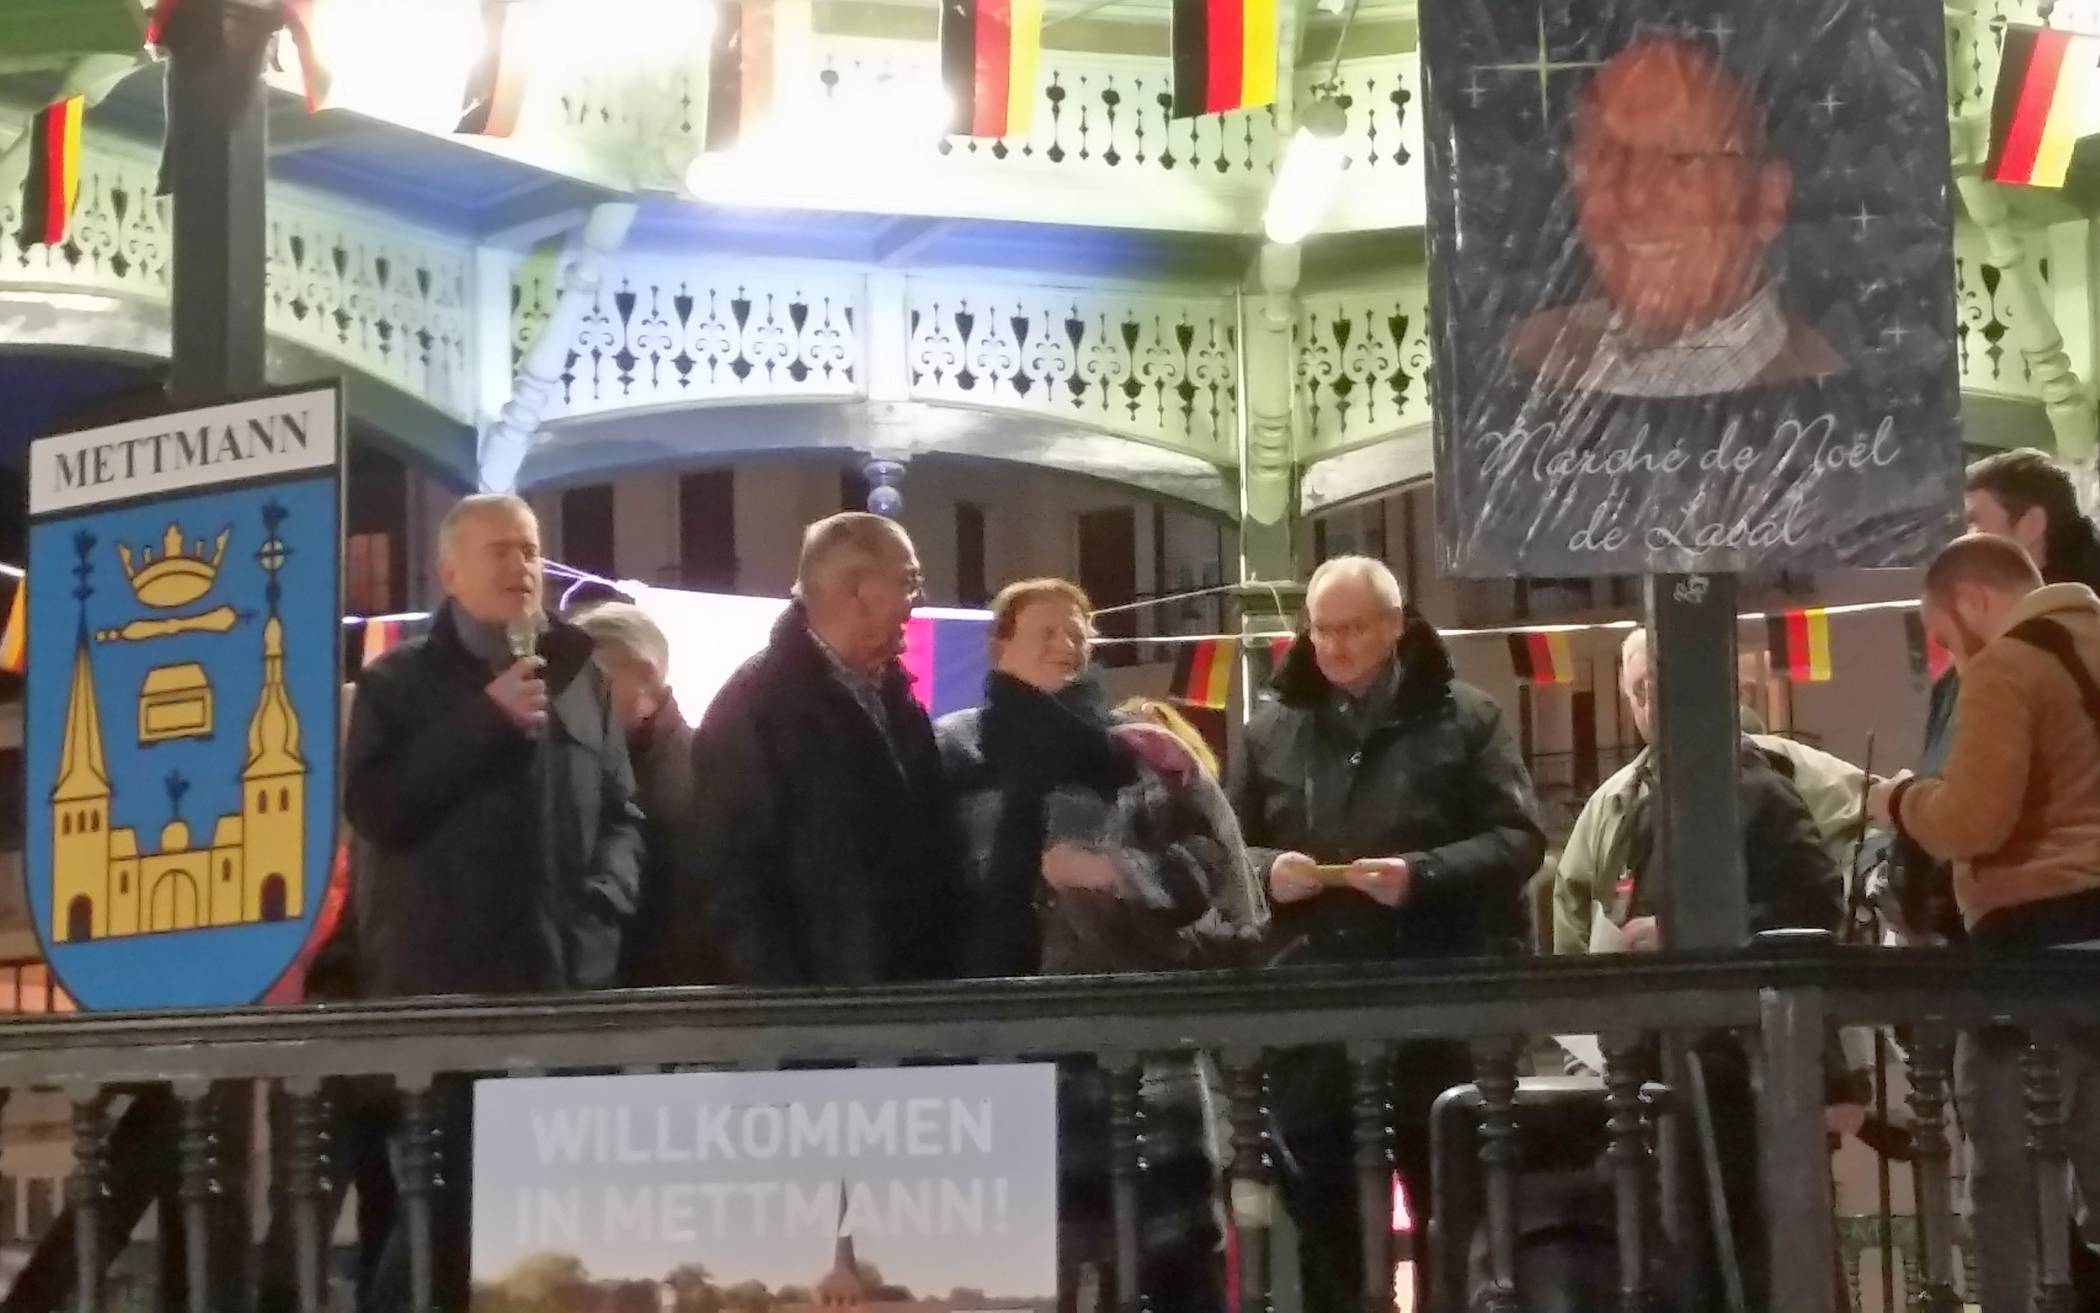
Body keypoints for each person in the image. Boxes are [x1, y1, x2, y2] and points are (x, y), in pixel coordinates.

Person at [343, 493, 643, 1311]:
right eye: (499, 552)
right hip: (444, 1004)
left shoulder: (579, 672)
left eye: (531, 550)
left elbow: (622, 811)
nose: (520, 567)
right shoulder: (396, 682)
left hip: (564, 993)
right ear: (448, 572)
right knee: (439, 1221)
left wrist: (603, 909)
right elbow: (377, 807)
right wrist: (485, 718)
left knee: (546, 1231)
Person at [937, 579, 1265, 1309]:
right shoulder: (953, 751)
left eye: (1079, 630)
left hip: (1144, 1050)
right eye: (1045, 630)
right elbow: (926, 878)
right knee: (1027, 1267)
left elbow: (1218, 874)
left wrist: (1117, 872)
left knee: (1171, 1259)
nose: (1066, 643)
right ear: (999, 646)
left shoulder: (1148, 753)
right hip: (1007, 1048)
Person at [1231, 555, 1546, 1313]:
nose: (1333, 646)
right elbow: (1225, 849)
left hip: (1442, 1013)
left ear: (1395, 626)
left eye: (1353, 629)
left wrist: (1420, 873)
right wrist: (1271, 871)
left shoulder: (1468, 718)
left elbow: (1519, 838)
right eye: (1321, 629)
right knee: (1330, 1235)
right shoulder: (1270, 727)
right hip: (1314, 1024)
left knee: (1458, 1224)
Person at [1869, 534, 2100, 1313]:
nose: (1953, 658)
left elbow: (1971, 822)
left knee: (2006, 1187)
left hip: (2035, 955)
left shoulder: (2008, 662)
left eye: (1944, 638)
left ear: (1973, 602)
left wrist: (1898, 798)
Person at [678, 513, 959, 986]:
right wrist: (795, 1022)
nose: (919, 599)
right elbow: (733, 884)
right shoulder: (754, 709)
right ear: (857, 591)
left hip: (911, 1004)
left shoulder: (896, 698)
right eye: (908, 581)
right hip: (823, 1021)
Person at [1507, 34, 1842, 398]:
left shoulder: (1835, 403)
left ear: (1768, 200)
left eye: (1681, 157)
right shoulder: (1530, 361)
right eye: (1604, 156)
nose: (1633, 195)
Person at [1553, 628, 1847, 954]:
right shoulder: (1643, 806)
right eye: (1639, 692)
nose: (1651, 706)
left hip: (1742, 998)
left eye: (1658, 687)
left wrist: (1685, 933)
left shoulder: (1764, 794)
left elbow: (1820, 907)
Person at [571, 601, 695, 987]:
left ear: (645, 676)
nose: (579, 698)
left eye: (595, 679)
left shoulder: (687, 776)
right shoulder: (618, 763)